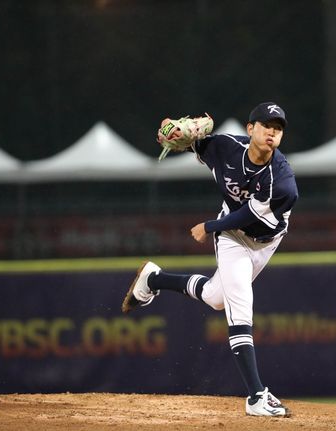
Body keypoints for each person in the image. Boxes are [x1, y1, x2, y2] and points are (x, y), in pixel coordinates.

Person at [122, 102, 298, 417]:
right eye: (266, 124)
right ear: (250, 129)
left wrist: (209, 226)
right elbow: (190, 142)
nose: (272, 131)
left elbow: (248, 213)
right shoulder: (226, 147)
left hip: (263, 241)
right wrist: (179, 133)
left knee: (217, 298)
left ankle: (154, 279)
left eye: (279, 127)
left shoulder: (282, 180)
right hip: (232, 238)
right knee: (240, 302)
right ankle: (257, 395)